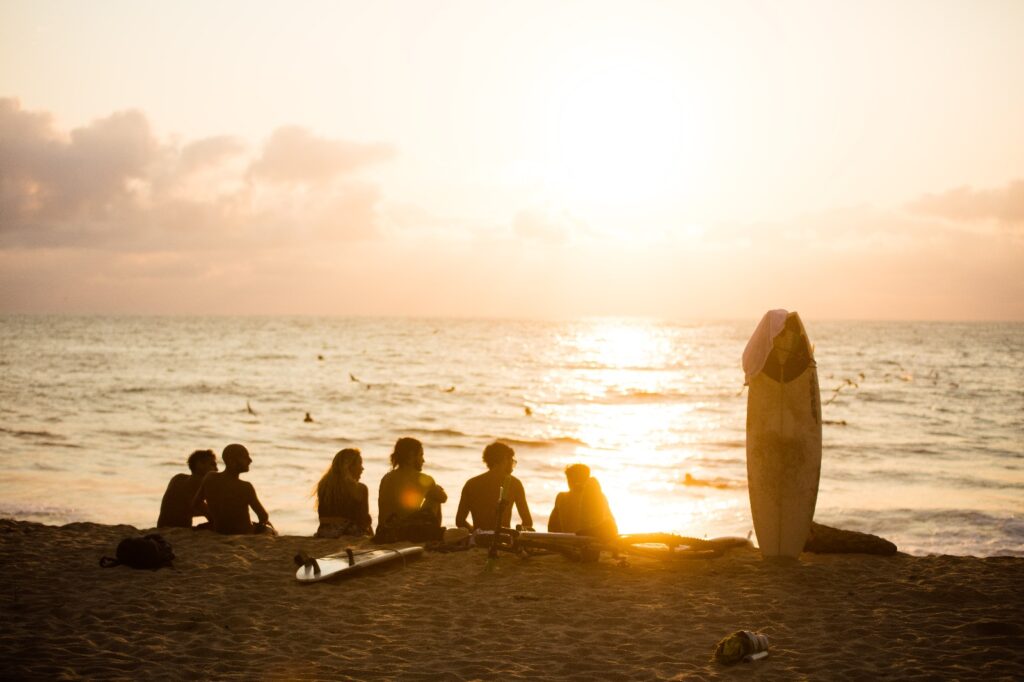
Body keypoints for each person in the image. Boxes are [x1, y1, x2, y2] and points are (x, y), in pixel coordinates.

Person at [192, 443, 274, 535]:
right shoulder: (245, 487)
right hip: (243, 532)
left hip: (220, 530)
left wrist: (214, 518)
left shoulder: (210, 477)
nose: (250, 460)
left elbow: (196, 503)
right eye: (245, 457)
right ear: (232, 461)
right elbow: (263, 516)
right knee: (269, 530)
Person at [376, 437, 447, 540]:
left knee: (434, 494)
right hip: (404, 532)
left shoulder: (386, 478)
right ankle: (433, 536)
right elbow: (443, 498)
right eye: (421, 455)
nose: (423, 460)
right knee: (435, 498)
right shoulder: (424, 479)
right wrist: (437, 489)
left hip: (383, 532)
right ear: (411, 456)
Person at [455, 441, 533, 532]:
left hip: (479, 538)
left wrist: (476, 533)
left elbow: (460, 521)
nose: (512, 464)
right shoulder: (514, 484)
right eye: (511, 460)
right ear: (503, 459)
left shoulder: (471, 484)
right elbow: (527, 522)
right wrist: (514, 535)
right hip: (504, 538)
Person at [548, 463, 618, 539]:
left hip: (569, 541)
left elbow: (552, 528)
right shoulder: (599, 496)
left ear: (570, 480)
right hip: (592, 541)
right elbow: (613, 526)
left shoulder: (562, 497)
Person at [314, 448, 372, 538]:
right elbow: (364, 521)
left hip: (324, 532)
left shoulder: (323, 485)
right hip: (347, 533)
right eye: (360, 464)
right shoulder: (360, 488)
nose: (362, 468)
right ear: (349, 466)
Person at [156, 449, 218, 528]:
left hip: (162, 526)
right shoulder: (200, 483)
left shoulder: (178, 478)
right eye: (213, 465)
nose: (216, 469)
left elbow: (183, 508)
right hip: (178, 527)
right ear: (199, 464)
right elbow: (209, 513)